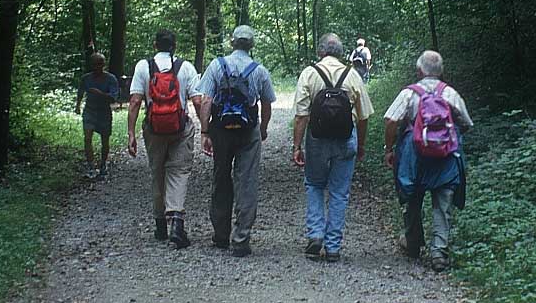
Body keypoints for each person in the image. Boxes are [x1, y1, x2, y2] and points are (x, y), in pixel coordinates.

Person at [383, 50, 473, 270]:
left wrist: (389, 147)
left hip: (414, 156)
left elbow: (390, 120)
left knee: (412, 197)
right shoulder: (449, 93)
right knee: (443, 202)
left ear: (419, 70)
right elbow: (467, 123)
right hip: (445, 157)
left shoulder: (409, 94)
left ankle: (413, 243)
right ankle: (438, 252)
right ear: (441, 71)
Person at [292, 33, 374, 262]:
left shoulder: (309, 73)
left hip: (317, 139)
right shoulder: (353, 76)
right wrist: (362, 145)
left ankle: (315, 234)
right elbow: (364, 116)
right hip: (346, 138)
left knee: (314, 184)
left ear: (320, 52)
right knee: (339, 192)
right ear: (341, 52)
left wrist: (297, 146)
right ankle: (333, 248)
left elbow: (301, 116)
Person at [196, 25, 276, 257]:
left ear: (232, 43)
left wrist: (205, 132)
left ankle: (221, 235)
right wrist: (262, 129)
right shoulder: (259, 70)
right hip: (247, 130)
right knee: (247, 181)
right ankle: (241, 239)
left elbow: (206, 101)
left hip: (221, 130)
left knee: (221, 178)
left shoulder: (216, 65)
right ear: (251, 46)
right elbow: (267, 104)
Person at [126, 30, 202, 249]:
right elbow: (197, 101)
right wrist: (206, 129)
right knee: (178, 173)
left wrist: (131, 134)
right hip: (180, 128)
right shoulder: (185, 67)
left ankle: (160, 225)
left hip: (154, 129)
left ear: (154, 45)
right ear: (174, 46)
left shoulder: (143, 66)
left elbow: (134, 102)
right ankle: (177, 223)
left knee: (157, 172)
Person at [74, 52, 119, 178]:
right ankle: (90, 166)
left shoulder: (111, 79)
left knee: (105, 140)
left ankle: (103, 164)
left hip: (104, 112)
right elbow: (80, 92)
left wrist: (100, 94)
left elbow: (113, 98)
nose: (97, 67)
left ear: (104, 64)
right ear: (91, 65)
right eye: (95, 64)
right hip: (89, 111)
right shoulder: (86, 78)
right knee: (87, 138)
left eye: (100, 64)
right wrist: (77, 106)